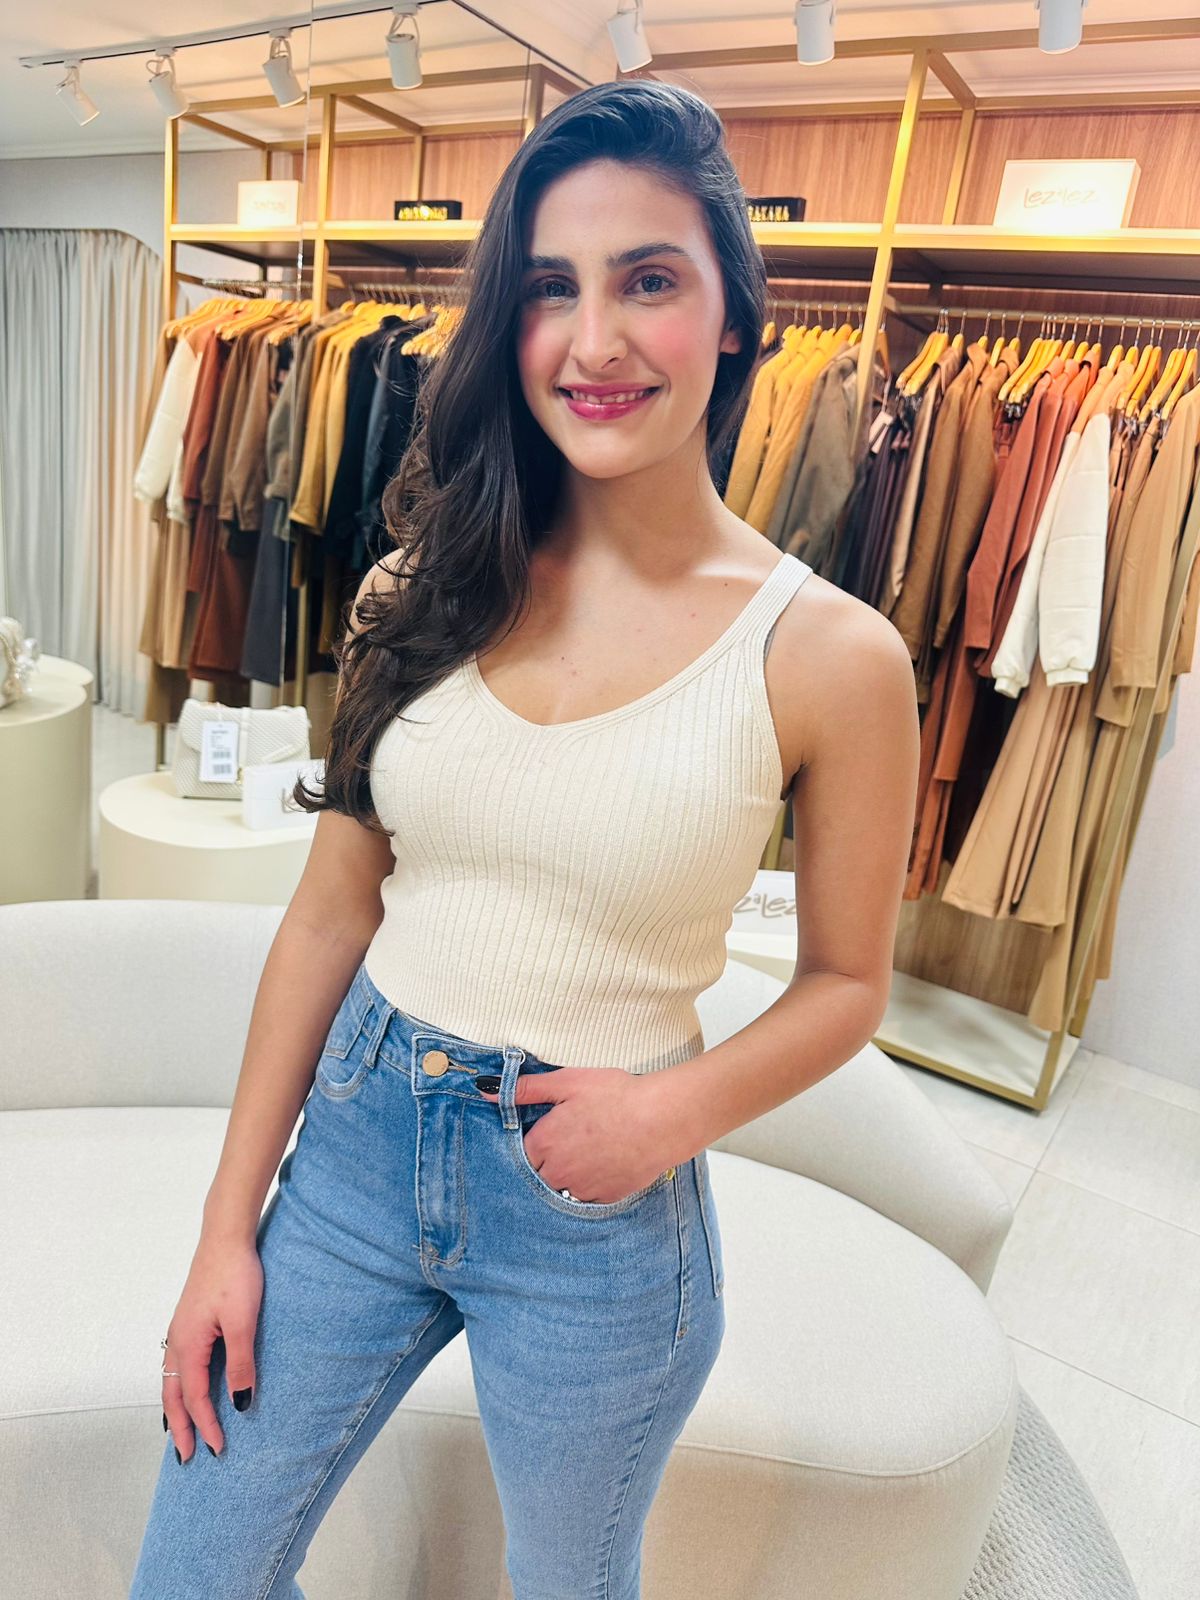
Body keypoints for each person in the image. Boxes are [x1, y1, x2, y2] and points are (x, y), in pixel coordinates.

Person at [129, 78, 919, 1599]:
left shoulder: (829, 656)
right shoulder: (417, 586)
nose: (594, 341)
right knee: (196, 1571)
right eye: (552, 289)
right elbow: (327, 915)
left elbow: (848, 985)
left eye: (649, 281)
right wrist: (226, 1232)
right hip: (357, 1145)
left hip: (594, 1209)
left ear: (736, 318)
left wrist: (667, 1116)